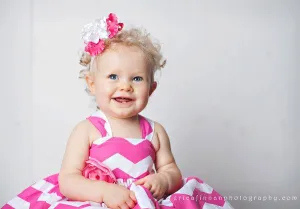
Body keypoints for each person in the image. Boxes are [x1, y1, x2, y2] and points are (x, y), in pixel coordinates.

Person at [2, 13, 234, 209]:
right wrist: (104, 192)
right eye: (113, 76)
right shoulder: (89, 129)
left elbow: (172, 170)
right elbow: (68, 180)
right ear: (92, 83)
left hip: (143, 201)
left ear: (151, 89)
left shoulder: (154, 132)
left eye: (137, 78)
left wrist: (164, 179)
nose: (125, 85)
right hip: (98, 200)